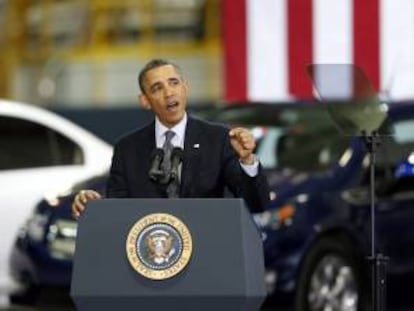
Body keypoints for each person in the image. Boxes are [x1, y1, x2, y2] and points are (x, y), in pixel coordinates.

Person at [72, 59, 269, 218]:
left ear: (185, 88)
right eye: (157, 88)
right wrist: (95, 204)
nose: (168, 93)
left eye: (174, 83)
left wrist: (247, 161)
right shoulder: (127, 148)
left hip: (206, 250)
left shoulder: (218, 138)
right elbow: (118, 209)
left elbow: (257, 204)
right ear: (145, 101)